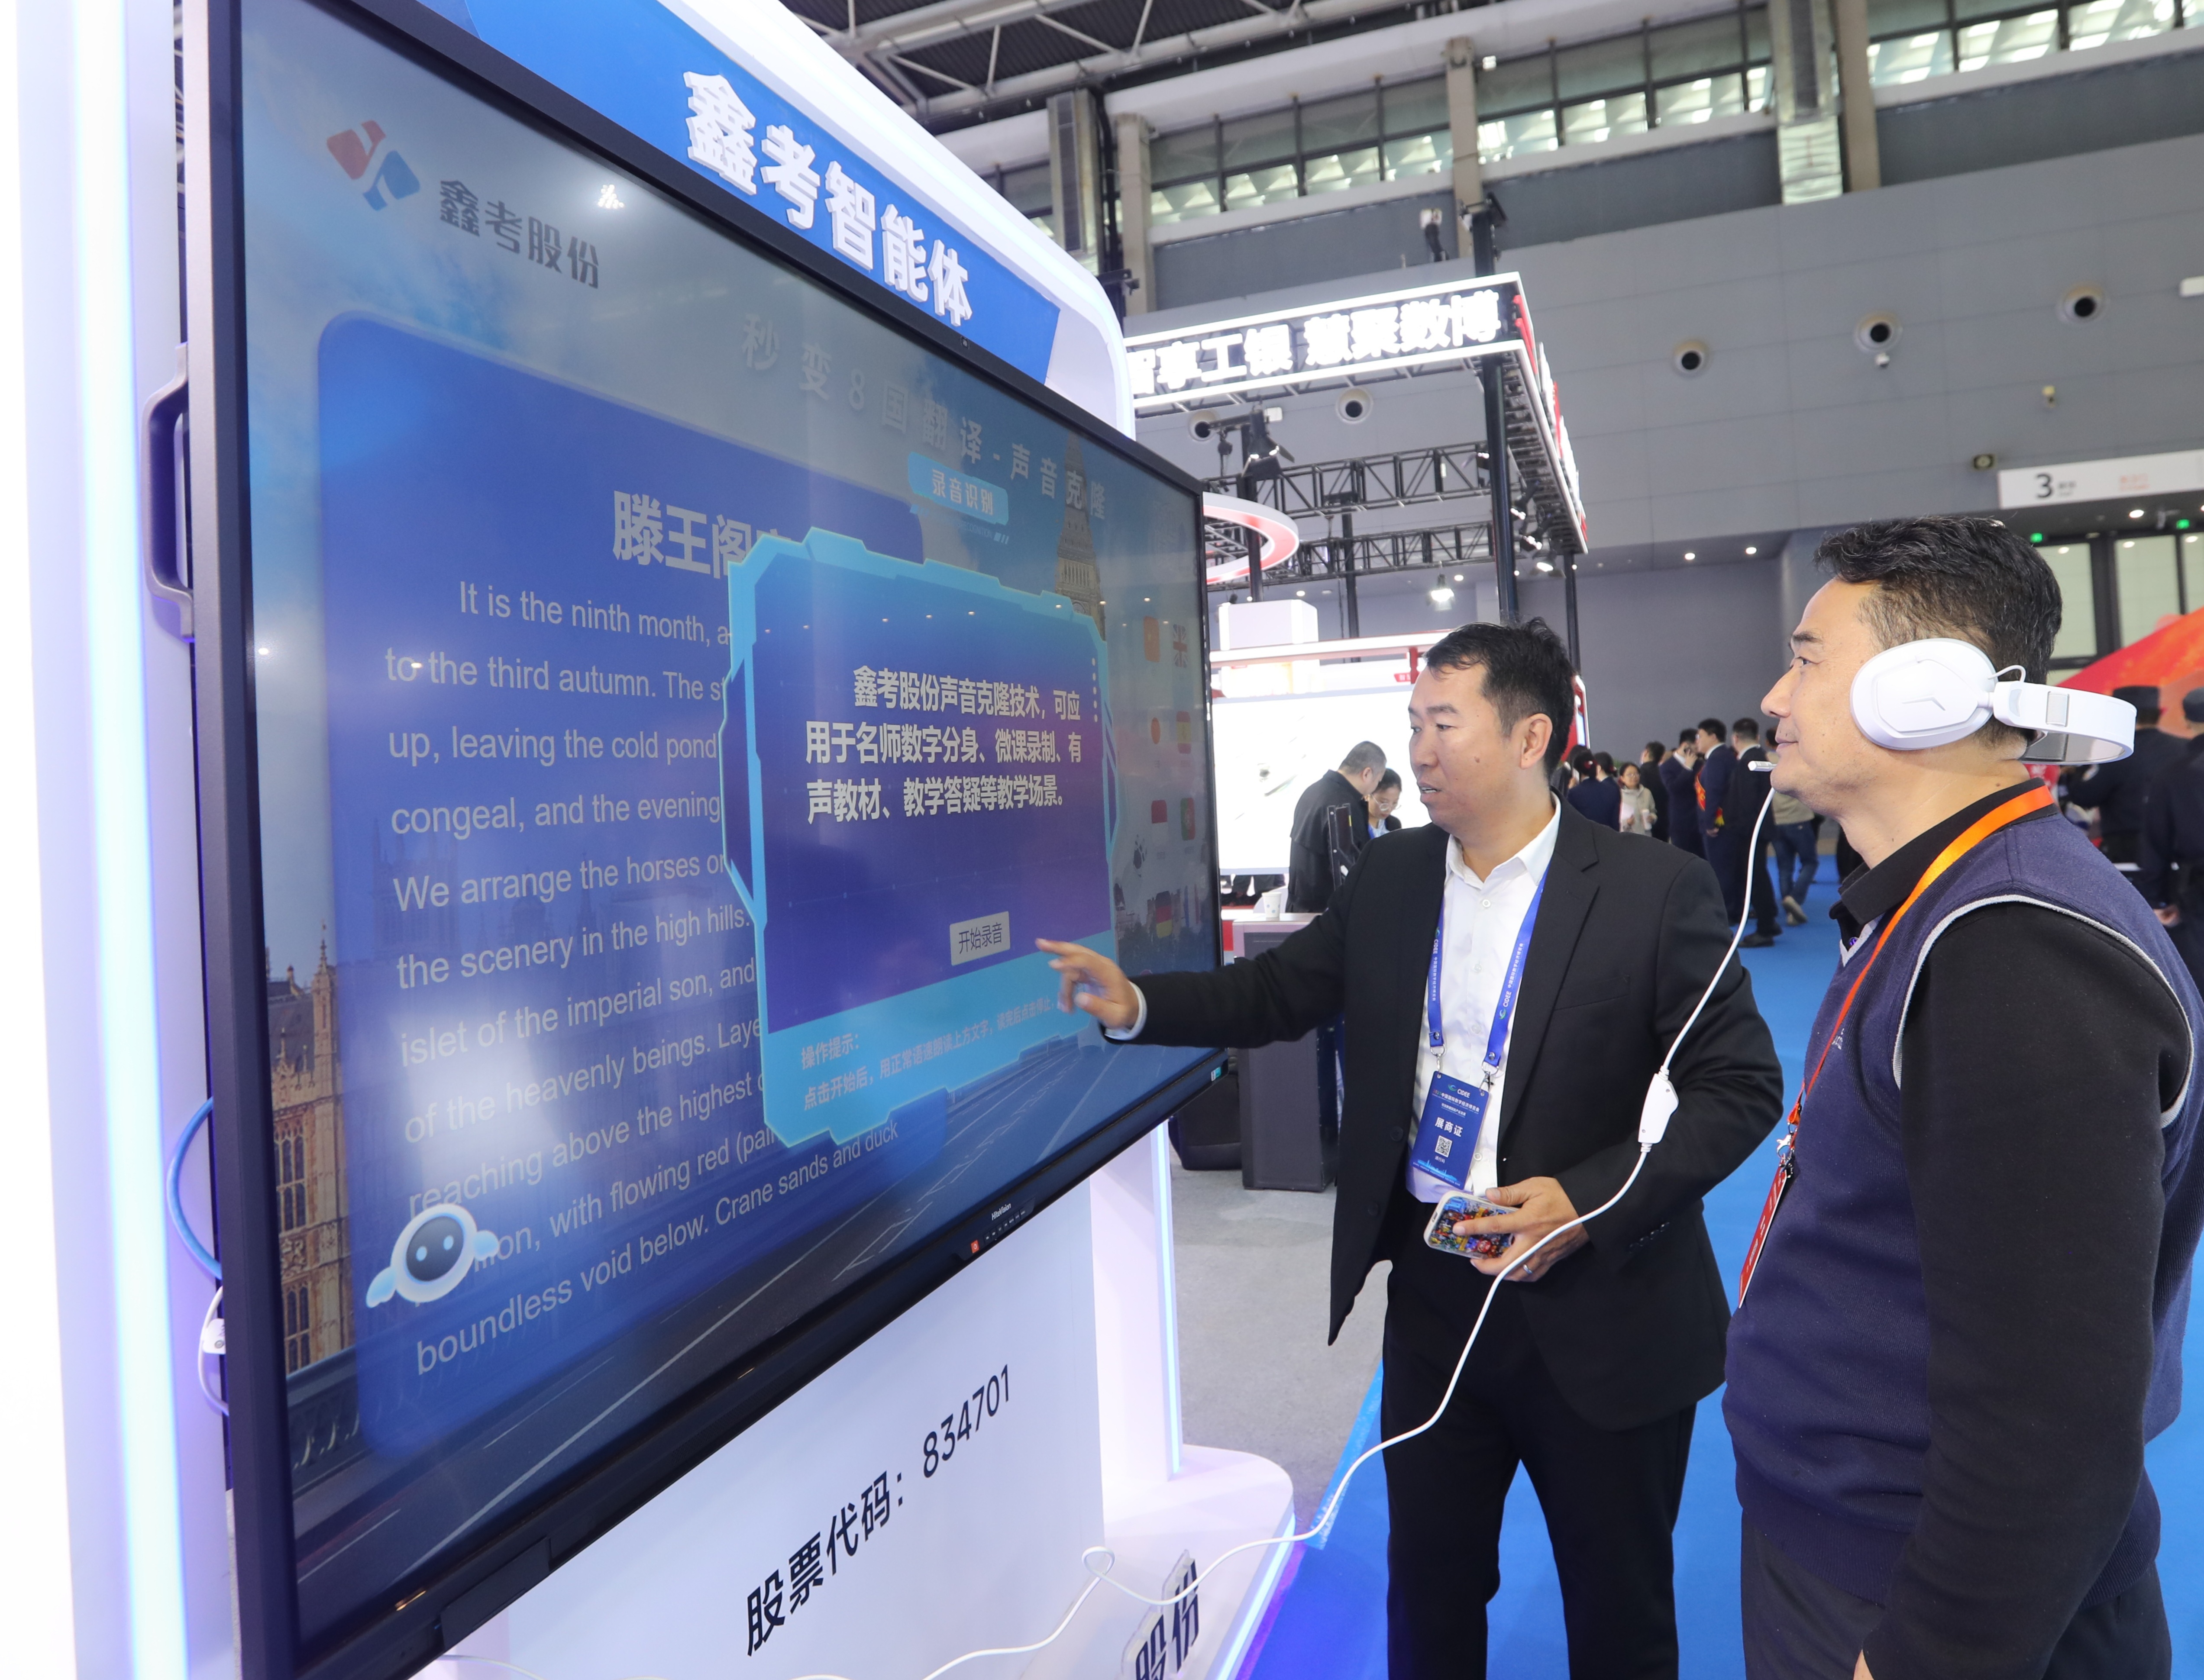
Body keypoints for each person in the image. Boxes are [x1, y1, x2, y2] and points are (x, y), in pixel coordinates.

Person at [1041, 619, 1783, 1680]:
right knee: (1429, 1590)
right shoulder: (1392, 875)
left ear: (1530, 737)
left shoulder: (1651, 889)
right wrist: (1140, 1003)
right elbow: (1278, 992)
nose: (1419, 751)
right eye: (1412, 725)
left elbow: (1739, 1085)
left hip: (1602, 1305)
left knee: (1618, 1611)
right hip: (1439, 1290)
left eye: (1443, 724)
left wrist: (1584, 1201)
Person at [1726, 516, 2204, 1680]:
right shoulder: (1948, 904)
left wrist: (1935, 1651)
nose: (1776, 698)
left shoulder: (2014, 949)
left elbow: (2053, 1412)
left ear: (1925, 693)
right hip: (1861, 1537)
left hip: (1913, 1589)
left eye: (1806, 659)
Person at [2061, 684, 2184, 877]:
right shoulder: (2184, 749)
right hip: (2180, 858)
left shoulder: (2116, 753)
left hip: (2128, 858)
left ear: (2120, 717)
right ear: (2158, 713)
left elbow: (2084, 796)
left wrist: (2073, 774)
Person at [2135, 687, 2204, 994]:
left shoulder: (2173, 776)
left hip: (2197, 892)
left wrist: (2158, 899)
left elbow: (2156, 842)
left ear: (2187, 722)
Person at [1289, 741, 1385, 911]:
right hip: (1326, 913)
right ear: (1367, 774)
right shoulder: (1344, 806)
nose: (1375, 788)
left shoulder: (1313, 791)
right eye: (1378, 781)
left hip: (1299, 909)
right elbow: (1349, 870)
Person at [1726, 719, 1780, 947]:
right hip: (1757, 829)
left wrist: (1740, 830)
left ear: (1735, 738)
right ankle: (1770, 920)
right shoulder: (1760, 757)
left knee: (1754, 878)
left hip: (1750, 831)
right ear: (1757, 737)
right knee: (1759, 875)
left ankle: (1766, 929)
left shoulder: (1749, 761)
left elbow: (1747, 802)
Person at [1696, 717, 1742, 921]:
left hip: (1720, 825)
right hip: (1727, 823)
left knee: (1721, 870)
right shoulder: (1724, 756)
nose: (1697, 741)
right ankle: (1734, 908)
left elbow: (1714, 792)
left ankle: (1727, 912)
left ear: (1713, 737)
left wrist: (1709, 822)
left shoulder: (1717, 758)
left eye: (1700, 736)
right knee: (1728, 868)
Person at [1767, 783, 1819, 926]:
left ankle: (1791, 912)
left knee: (1785, 868)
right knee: (1810, 862)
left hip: (1776, 821)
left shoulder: (1767, 769)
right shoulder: (1795, 770)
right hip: (1798, 819)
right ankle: (1795, 899)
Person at [1662, 732, 1703, 857]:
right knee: (1683, 858)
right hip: (1681, 822)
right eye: (1696, 747)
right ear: (1685, 746)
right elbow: (1674, 789)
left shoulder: (1700, 764)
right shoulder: (1667, 767)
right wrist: (1687, 768)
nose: (1698, 750)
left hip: (1699, 820)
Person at [1566, 745, 1621, 829]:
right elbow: (1616, 823)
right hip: (1608, 835)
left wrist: (1570, 789)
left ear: (1577, 771)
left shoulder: (1574, 793)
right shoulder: (1611, 790)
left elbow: (1569, 821)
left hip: (1585, 835)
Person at [1641, 741, 1672, 841]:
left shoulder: (1641, 773)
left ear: (1646, 753)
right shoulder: (1665, 773)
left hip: (1646, 823)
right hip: (1665, 821)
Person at [1618, 760, 1658, 837]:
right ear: (1622, 778)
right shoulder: (1619, 795)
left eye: (1636, 774)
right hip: (1628, 836)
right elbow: (1616, 819)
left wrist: (1652, 818)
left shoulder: (1646, 792)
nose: (1634, 777)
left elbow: (1653, 811)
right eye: (1630, 775)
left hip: (1646, 835)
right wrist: (1627, 823)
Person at [1367, 767, 1406, 838]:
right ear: (1367, 795)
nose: (1389, 810)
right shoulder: (1354, 823)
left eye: (1395, 803)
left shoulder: (1394, 825)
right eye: (1384, 803)